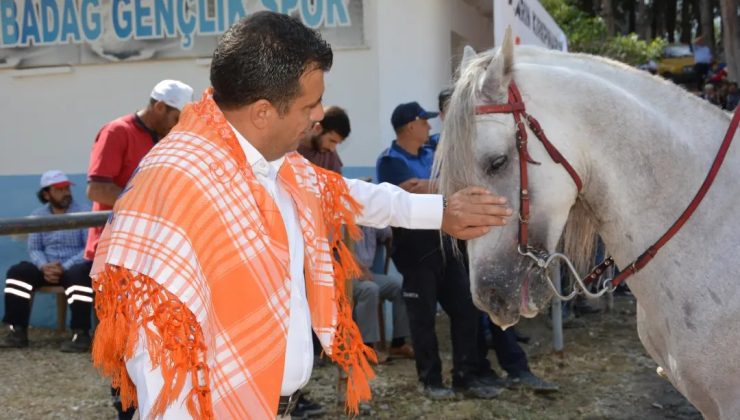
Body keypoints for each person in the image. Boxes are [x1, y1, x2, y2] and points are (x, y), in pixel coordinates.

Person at [89, 12, 512, 419]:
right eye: (311, 104)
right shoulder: (177, 186)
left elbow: (351, 195)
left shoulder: (273, 163)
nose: (318, 116)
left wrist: (442, 212)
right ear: (261, 112)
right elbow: (160, 355)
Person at [377, 101, 502, 400]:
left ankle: (465, 376)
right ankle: (430, 380)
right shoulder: (391, 160)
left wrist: (430, 186)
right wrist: (442, 188)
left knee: (465, 310)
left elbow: (452, 183)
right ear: (410, 126)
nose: (429, 127)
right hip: (415, 250)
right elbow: (409, 196)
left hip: (445, 244)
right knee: (423, 319)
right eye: (424, 122)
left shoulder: (431, 151)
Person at [85, 79, 193, 419]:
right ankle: (126, 408)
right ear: (160, 107)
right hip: (115, 256)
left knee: (148, 340)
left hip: (150, 256)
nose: (178, 126)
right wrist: (146, 206)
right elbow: (97, 188)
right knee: (122, 343)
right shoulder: (117, 132)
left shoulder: (163, 138)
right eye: (176, 117)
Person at [0, 170, 92, 352]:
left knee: (81, 275)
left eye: (67, 188)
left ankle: (81, 335)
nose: (66, 192)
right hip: (46, 267)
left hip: (72, 267)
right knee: (18, 273)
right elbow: (35, 248)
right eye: (59, 189)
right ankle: (17, 332)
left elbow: (88, 248)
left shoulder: (84, 213)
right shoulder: (38, 216)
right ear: (46, 194)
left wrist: (63, 267)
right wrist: (44, 266)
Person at [353, 225, 414, 359]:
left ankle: (398, 343)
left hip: (367, 273)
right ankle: (366, 348)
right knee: (370, 289)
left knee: (399, 287)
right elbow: (337, 246)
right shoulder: (343, 221)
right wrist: (360, 268)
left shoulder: (371, 219)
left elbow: (388, 232)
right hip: (345, 275)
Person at [297, 105, 350, 173]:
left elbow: (336, 182)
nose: (332, 148)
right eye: (332, 141)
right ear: (318, 128)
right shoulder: (288, 148)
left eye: (337, 143)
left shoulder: (330, 154)